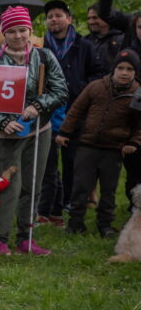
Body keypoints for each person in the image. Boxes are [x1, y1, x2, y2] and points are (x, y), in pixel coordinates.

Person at [0, 6, 68, 256]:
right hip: (5, 133)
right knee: (8, 185)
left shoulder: (44, 56)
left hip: (39, 129)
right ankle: (1, 239)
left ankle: (27, 238)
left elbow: (61, 91)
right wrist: (1, 121)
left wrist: (38, 105)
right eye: (11, 31)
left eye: (22, 30)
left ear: (30, 30)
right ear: (4, 33)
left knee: (32, 184)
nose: (18, 36)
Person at [58, 50, 141, 237]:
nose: (124, 72)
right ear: (114, 69)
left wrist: (133, 143)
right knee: (80, 187)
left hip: (114, 150)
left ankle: (105, 225)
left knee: (108, 191)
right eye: (120, 68)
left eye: (130, 69)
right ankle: (75, 223)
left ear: (135, 72)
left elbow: (139, 125)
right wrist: (65, 132)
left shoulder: (137, 94)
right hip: (87, 146)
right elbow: (76, 110)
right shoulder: (95, 86)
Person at [37, 0, 103, 226]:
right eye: (49, 17)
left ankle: (70, 203)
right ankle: (49, 207)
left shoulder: (84, 46)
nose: (53, 20)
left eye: (58, 15)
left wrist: (79, 87)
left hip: (76, 111)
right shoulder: (40, 45)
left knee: (73, 161)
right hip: (47, 110)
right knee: (48, 162)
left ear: (69, 19)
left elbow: (99, 74)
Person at [84, 2, 122, 72]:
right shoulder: (84, 41)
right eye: (89, 18)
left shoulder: (121, 40)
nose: (91, 22)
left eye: (95, 18)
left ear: (108, 17)